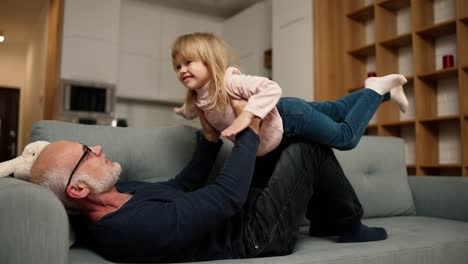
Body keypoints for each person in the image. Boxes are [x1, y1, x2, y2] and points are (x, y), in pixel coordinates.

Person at [30, 101, 387, 263]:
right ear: (77, 190)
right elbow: (226, 197)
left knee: (290, 129)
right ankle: (347, 221)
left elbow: (183, 184)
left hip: (248, 210)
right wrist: (249, 128)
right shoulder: (129, 230)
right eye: (85, 153)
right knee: (306, 148)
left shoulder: (124, 192)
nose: (97, 147)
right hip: (258, 236)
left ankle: (355, 103)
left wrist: (210, 137)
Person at [172, 32, 409, 156]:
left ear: (210, 62)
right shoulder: (198, 98)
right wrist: (182, 112)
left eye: (189, 62)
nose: (182, 70)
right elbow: (192, 110)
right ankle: (386, 92)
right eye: (177, 66)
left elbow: (271, 88)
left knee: (345, 138)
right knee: (337, 109)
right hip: (286, 112)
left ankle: (374, 90)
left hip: (290, 116)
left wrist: (247, 115)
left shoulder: (229, 81)